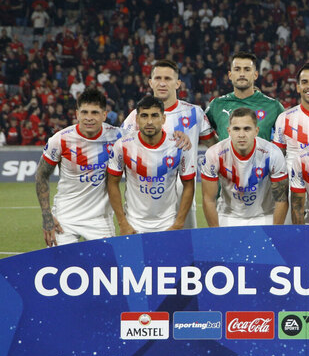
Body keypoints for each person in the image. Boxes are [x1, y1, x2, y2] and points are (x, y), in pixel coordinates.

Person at [122, 59, 217, 228]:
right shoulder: (136, 117)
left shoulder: (194, 113)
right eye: (158, 78)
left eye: (168, 78)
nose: (162, 83)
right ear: (150, 83)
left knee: (185, 243)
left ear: (178, 83)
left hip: (184, 198)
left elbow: (214, 147)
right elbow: (120, 151)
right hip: (147, 202)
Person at [35, 88, 121, 246]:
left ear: (104, 115)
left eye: (95, 112)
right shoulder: (60, 139)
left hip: (99, 219)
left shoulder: (117, 136)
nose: (89, 118)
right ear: (77, 114)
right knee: (61, 261)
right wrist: (47, 216)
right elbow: (41, 175)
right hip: (65, 218)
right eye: (84, 112)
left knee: (106, 261)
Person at [107, 96, 196, 234]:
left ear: (163, 119)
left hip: (168, 224)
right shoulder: (123, 145)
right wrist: (122, 223)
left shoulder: (179, 145)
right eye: (144, 116)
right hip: (133, 225)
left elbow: (189, 185)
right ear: (137, 119)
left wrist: (178, 223)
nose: (149, 121)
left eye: (154, 116)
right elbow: (112, 183)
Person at [201, 108, 289, 226]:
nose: (241, 135)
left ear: (256, 131)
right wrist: (216, 232)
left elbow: (281, 199)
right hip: (228, 215)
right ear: (229, 131)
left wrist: (275, 231)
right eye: (236, 129)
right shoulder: (214, 154)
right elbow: (208, 200)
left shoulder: (272, 153)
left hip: (264, 215)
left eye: (247, 129)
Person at [206, 52, 284, 141]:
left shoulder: (273, 106)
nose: (242, 74)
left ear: (255, 75)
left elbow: (286, 139)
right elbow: (202, 133)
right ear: (230, 75)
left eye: (247, 69)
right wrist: (219, 148)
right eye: (237, 69)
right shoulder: (216, 105)